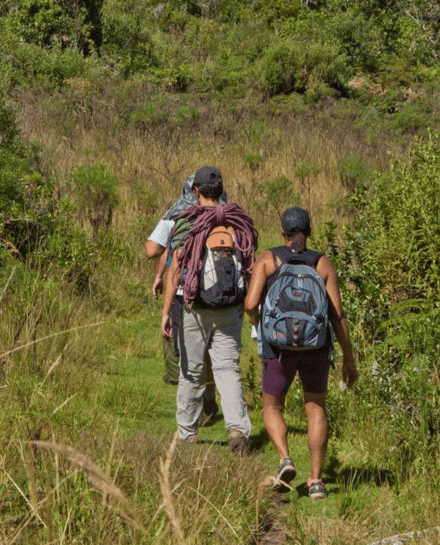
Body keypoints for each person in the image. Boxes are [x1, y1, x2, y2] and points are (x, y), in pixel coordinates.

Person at [244, 207, 358, 499]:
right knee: (316, 409)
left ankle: (285, 458)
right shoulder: (322, 263)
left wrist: (258, 322)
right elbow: (337, 314)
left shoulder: (268, 259)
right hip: (316, 347)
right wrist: (348, 357)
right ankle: (316, 481)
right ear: (309, 232)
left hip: (277, 347)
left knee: (272, 405)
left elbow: (250, 304)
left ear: (282, 231)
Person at [160, 167, 257, 454]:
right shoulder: (237, 222)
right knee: (228, 370)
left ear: (196, 191)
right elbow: (249, 265)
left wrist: (166, 311)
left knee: (192, 371)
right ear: (221, 190)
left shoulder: (189, 222)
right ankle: (237, 431)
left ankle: (187, 435)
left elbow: (175, 270)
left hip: (196, 308)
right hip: (230, 307)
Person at [147, 174, 217, 417]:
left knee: (189, 351)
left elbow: (155, 251)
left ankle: (192, 411)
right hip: (219, 292)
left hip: (185, 292)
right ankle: (209, 397)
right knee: (211, 350)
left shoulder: (178, 215)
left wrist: (160, 278)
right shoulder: (226, 215)